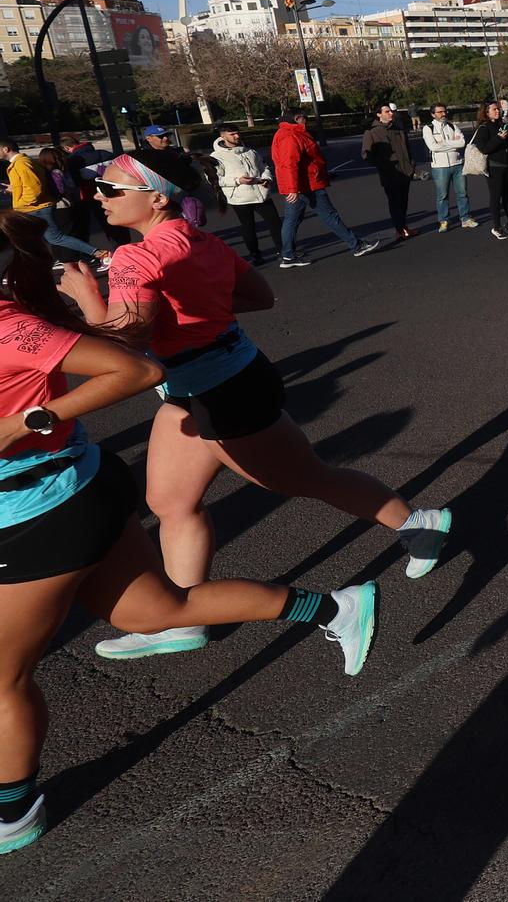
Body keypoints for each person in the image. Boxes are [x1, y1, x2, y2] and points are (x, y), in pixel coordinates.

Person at [0, 211, 378, 856]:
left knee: (2, 681)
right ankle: (334, 606)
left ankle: (13, 809)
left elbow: (134, 371)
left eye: (115, 188)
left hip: (41, 512)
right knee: (159, 610)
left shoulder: (9, 326)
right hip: (76, 488)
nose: (103, 194)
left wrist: (27, 422)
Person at [62, 149, 445, 663]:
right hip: (215, 381)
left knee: (304, 478)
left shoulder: (137, 257)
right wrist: (191, 313)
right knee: (172, 503)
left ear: (156, 199)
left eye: (111, 190)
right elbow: (258, 295)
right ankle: (182, 621)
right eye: (99, 189)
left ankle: (417, 524)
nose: (98, 198)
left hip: (222, 392)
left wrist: (88, 296)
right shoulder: (198, 239)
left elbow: (124, 346)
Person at [270, 109, 379, 267]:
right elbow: (289, 164)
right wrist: (292, 188)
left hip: (302, 184)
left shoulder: (287, 133)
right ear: (294, 119)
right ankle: (356, 245)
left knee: (292, 220)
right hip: (307, 184)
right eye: (302, 118)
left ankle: (288, 255)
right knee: (329, 216)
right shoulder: (291, 135)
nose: (305, 120)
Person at [0, 138, 103, 264]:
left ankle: (97, 252)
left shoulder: (21, 164)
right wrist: (13, 189)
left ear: (6, 149)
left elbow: (34, 189)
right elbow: (28, 185)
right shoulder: (25, 162)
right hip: (35, 207)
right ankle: (27, 270)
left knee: (44, 239)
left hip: (34, 208)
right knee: (32, 240)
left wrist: (22, 204)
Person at [209, 124, 282, 266]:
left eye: (237, 133)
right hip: (240, 198)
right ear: (222, 136)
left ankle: (284, 251)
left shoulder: (250, 151)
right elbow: (215, 180)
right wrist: (238, 180)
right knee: (248, 227)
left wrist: (267, 178)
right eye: (232, 134)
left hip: (261, 194)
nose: (237, 136)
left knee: (275, 223)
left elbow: (263, 167)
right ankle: (255, 255)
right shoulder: (216, 157)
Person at [471, 101, 508, 239]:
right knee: (496, 197)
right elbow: (484, 148)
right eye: (494, 109)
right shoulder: (483, 128)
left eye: (498, 109)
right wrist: (498, 138)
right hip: (494, 167)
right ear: (486, 112)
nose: (498, 111)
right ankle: (496, 227)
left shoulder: (503, 125)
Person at [361, 104, 415, 242]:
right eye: (387, 111)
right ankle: (399, 230)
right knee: (395, 203)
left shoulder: (398, 128)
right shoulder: (372, 132)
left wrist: (411, 165)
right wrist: (384, 164)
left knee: (404, 202)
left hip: (405, 171)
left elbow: (407, 149)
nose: (391, 113)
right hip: (390, 174)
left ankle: (403, 227)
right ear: (379, 114)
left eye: (391, 111)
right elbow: (366, 154)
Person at [421, 104, 477, 232]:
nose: (443, 114)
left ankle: (465, 218)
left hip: (458, 164)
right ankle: (444, 220)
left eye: (444, 111)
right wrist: (453, 143)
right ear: (432, 114)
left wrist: (444, 143)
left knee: (462, 193)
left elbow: (462, 143)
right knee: (442, 196)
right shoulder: (428, 128)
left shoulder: (452, 126)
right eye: (440, 112)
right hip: (440, 167)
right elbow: (433, 147)